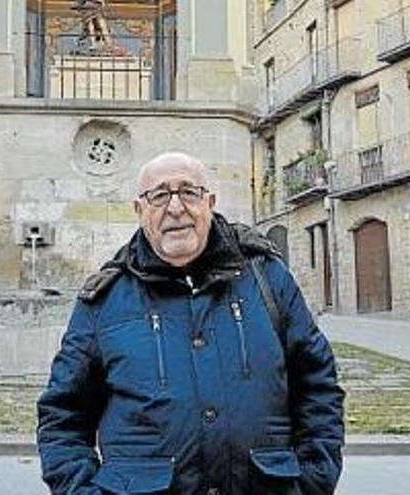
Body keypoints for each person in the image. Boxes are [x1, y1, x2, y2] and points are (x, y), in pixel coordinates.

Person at [37, 152, 345, 494]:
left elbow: (319, 387)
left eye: (189, 192)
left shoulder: (267, 279)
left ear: (209, 202)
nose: (175, 208)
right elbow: (62, 417)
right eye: (159, 195)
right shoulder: (104, 300)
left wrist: (313, 483)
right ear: (139, 211)